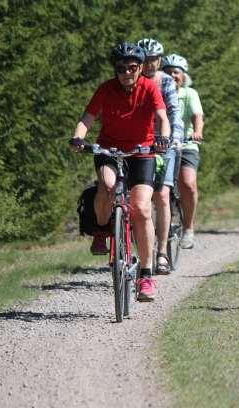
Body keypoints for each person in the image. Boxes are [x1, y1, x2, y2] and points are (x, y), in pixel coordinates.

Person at [70, 42, 170, 302]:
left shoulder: (149, 87)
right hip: (109, 151)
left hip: (142, 152)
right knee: (107, 185)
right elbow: (87, 118)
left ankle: (146, 276)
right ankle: (103, 229)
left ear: (140, 68)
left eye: (132, 67)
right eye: (121, 68)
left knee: (142, 208)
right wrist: (78, 138)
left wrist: (164, 138)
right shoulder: (105, 89)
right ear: (115, 69)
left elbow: (162, 117)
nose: (127, 72)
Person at [137, 38, 184, 274]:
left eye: (155, 59)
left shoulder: (165, 81)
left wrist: (173, 139)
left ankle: (162, 251)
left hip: (164, 143)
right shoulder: (131, 81)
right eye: (146, 59)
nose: (151, 64)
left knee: (162, 195)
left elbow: (174, 113)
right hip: (139, 144)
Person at [162, 54, 205, 249]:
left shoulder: (189, 94)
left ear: (183, 75)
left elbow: (197, 116)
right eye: (168, 71)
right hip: (161, 144)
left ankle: (188, 227)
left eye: (176, 72)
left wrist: (197, 132)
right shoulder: (157, 91)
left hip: (186, 144)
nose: (172, 75)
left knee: (187, 183)